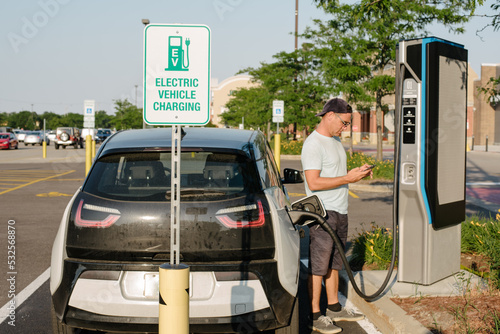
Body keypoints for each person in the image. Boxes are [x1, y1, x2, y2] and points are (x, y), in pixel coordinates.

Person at [301, 98, 372, 334]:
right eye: (344, 122)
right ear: (330, 115)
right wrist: (347, 179)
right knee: (319, 266)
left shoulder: (335, 142)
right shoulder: (313, 144)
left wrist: (356, 175)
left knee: (335, 262)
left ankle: (333, 307)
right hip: (323, 214)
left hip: (340, 211)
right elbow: (313, 182)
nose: (346, 128)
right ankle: (314, 315)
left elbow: (337, 175)